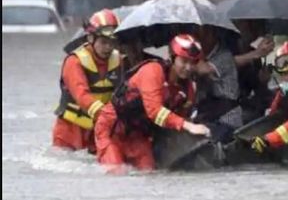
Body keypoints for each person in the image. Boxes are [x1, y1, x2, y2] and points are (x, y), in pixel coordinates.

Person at [94, 34, 211, 173]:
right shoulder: (153, 71)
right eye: (184, 61)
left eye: (193, 63)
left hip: (139, 134)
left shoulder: (188, 88)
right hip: (112, 129)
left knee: (149, 172)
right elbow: (154, 111)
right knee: (117, 172)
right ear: (172, 57)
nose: (188, 67)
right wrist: (188, 126)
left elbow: (180, 118)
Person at [52, 9, 122, 153]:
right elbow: (81, 95)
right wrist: (107, 115)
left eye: (112, 42)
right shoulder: (74, 62)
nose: (108, 47)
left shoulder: (119, 60)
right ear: (90, 38)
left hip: (99, 129)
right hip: (70, 131)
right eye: (104, 42)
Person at [192, 25, 243, 140]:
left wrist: (184, 61)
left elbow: (202, 69)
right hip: (206, 115)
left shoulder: (224, 55)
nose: (198, 40)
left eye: (201, 35)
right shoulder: (200, 58)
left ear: (212, 35)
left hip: (227, 118)